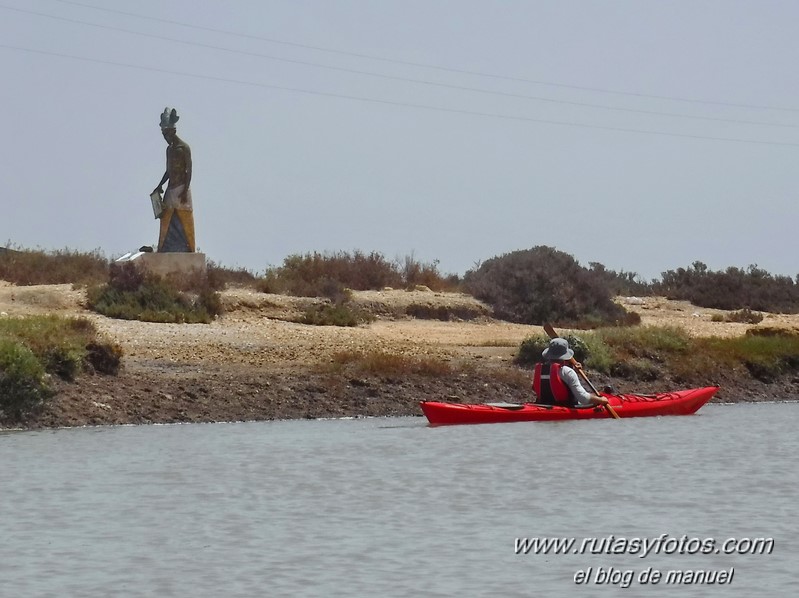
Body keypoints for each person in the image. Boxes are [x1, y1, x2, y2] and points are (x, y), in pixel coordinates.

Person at [153, 107, 195, 252]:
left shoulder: (184, 148)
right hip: (170, 190)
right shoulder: (169, 150)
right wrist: (159, 186)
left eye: (166, 134)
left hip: (182, 188)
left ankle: (187, 249)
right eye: (163, 134)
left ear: (172, 132)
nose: (165, 137)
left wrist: (184, 191)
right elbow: (168, 171)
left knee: (184, 219)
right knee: (166, 219)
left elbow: (188, 171)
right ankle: (165, 249)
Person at [532, 337, 609, 407]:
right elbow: (583, 398)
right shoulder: (568, 372)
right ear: (565, 355)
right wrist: (602, 400)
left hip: (542, 405)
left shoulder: (541, 370)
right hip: (565, 407)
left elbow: (537, 387)